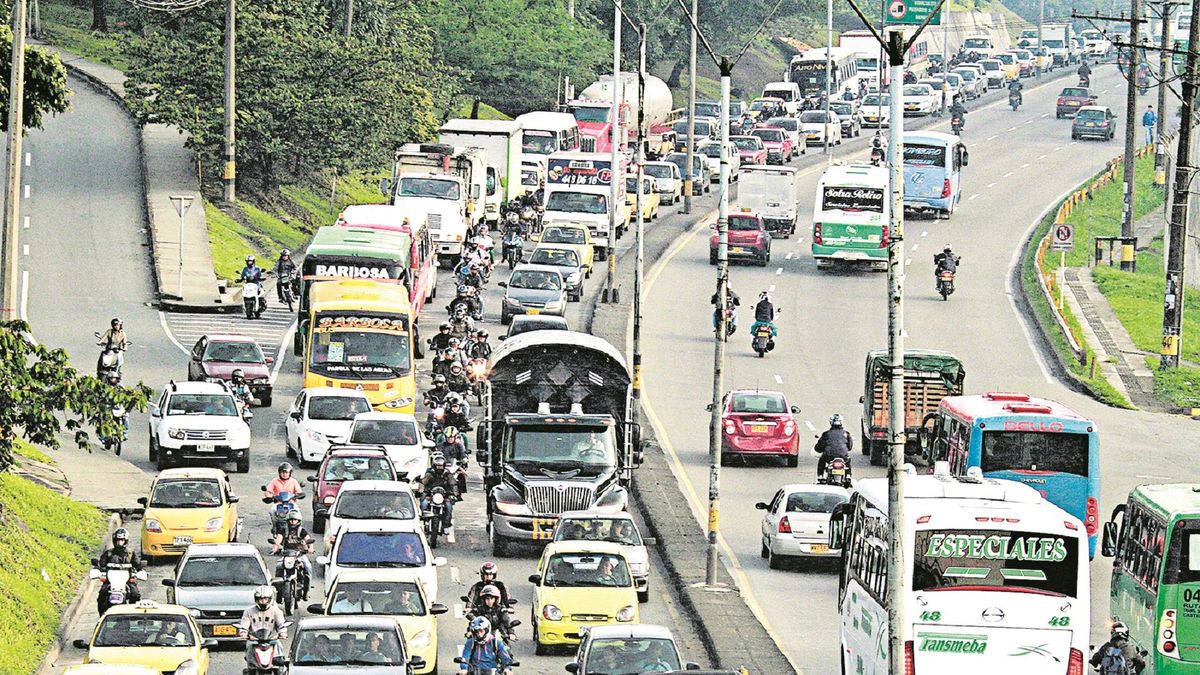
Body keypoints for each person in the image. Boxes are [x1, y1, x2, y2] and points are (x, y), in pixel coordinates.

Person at [95, 527, 142, 614]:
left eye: (122, 540)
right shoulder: (108, 553)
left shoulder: (130, 553)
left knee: (135, 594)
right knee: (102, 593)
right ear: (114, 540)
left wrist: (140, 570)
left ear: (126, 541)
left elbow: (138, 564)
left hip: (127, 580)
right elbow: (101, 564)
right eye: (118, 540)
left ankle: (133, 614)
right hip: (110, 581)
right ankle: (101, 615)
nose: (119, 543)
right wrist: (97, 569)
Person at [238, 585, 288, 663]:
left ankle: (279, 666)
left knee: (278, 644)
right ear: (256, 599)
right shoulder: (248, 611)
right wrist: (243, 633)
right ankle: (251, 665)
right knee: (248, 645)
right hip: (255, 639)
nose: (263, 601)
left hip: (271, 639)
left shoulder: (276, 611)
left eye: (265, 599)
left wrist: (282, 633)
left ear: (270, 599)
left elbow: (281, 624)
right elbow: (244, 624)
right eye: (260, 599)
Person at [271, 508, 313, 600]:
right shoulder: (283, 530)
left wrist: (310, 548)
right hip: (286, 554)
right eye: (291, 520)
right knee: (279, 567)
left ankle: (306, 591)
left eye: (295, 520)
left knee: (308, 568)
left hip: (299, 555)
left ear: (299, 521)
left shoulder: (302, 531)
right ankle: (279, 592)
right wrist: (275, 547)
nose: (293, 522)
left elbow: (308, 539)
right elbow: (279, 538)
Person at [416, 455, 459, 533]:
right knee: (424, 504)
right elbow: (423, 482)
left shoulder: (447, 474)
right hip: (431, 495)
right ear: (434, 465)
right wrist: (421, 490)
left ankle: (446, 525)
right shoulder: (430, 474)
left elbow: (453, 483)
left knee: (449, 507)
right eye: (438, 466)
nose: (439, 467)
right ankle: (425, 521)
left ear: (444, 465)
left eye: (441, 466)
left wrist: (455, 493)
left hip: (444, 495)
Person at [815, 414, 853, 478]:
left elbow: (819, 447)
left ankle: (820, 476)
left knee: (822, 460)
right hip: (843, 456)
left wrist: (819, 449)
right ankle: (848, 475)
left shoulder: (826, 434)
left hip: (829, 456)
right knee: (848, 460)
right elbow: (850, 447)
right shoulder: (846, 434)